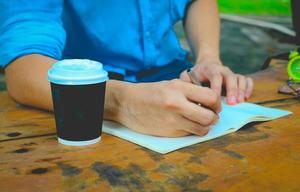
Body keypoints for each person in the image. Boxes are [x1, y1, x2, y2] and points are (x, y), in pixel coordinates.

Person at [0, 0, 253, 137]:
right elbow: (23, 70)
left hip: (177, 78)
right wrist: (120, 103)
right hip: (79, 107)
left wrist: (208, 58)